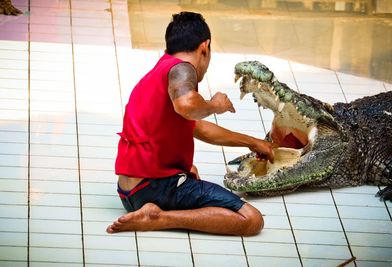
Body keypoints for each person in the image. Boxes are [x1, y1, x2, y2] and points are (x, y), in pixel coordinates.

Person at [106, 11, 276, 236]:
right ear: (204, 47)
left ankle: (152, 210)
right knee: (251, 220)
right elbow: (186, 105)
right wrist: (215, 105)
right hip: (155, 189)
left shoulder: (160, 71)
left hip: (130, 193)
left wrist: (251, 142)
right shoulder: (182, 69)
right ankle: (157, 217)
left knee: (191, 170)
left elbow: (197, 126)